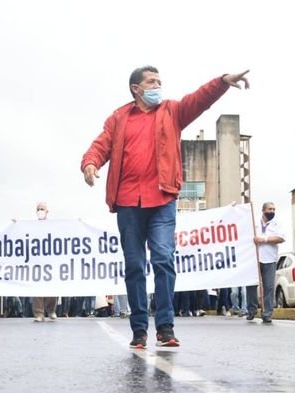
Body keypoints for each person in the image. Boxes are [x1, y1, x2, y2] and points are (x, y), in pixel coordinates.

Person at [81, 66, 250, 348]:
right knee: (134, 266)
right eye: (151, 81)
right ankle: (138, 330)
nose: (157, 85)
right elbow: (101, 145)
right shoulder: (119, 118)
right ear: (136, 88)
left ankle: (165, 327)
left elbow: (199, 99)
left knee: (163, 258)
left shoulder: (172, 111)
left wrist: (221, 82)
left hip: (162, 200)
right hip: (128, 202)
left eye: (159, 81)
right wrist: (90, 164)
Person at [246, 202, 285, 323]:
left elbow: (280, 238)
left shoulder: (277, 224)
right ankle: (251, 310)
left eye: (274, 209)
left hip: (269, 259)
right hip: (254, 259)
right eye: (270, 209)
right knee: (251, 285)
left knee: (269, 287)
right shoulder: (253, 222)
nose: (272, 211)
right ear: (263, 210)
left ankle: (267, 313)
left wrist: (264, 239)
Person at [32, 202, 58, 322]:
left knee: (51, 288)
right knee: (37, 288)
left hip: (50, 261)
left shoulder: (53, 225)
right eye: (38, 209)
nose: (40, 210)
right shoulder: (32, 225)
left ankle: (51, 310)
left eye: (42, 209)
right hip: (37, 261)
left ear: (47, 211)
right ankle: (39, 313)